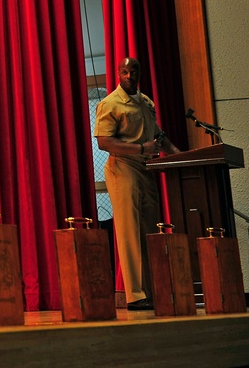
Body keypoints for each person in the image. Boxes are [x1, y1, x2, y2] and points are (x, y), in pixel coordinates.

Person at [94, 57, 180, 311]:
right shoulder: (110, 104)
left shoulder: (146, 103)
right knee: (130, 232)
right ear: (118, 74)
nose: (130, 75)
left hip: (145, 168)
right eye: (125, 72)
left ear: (139, 73)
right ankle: (136, 295)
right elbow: (104, 142)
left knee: (150, 230)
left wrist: (181, 156)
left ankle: (153, 291)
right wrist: (141, 147)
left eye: (134, 71)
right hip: (123, 167)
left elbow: (158, 135)